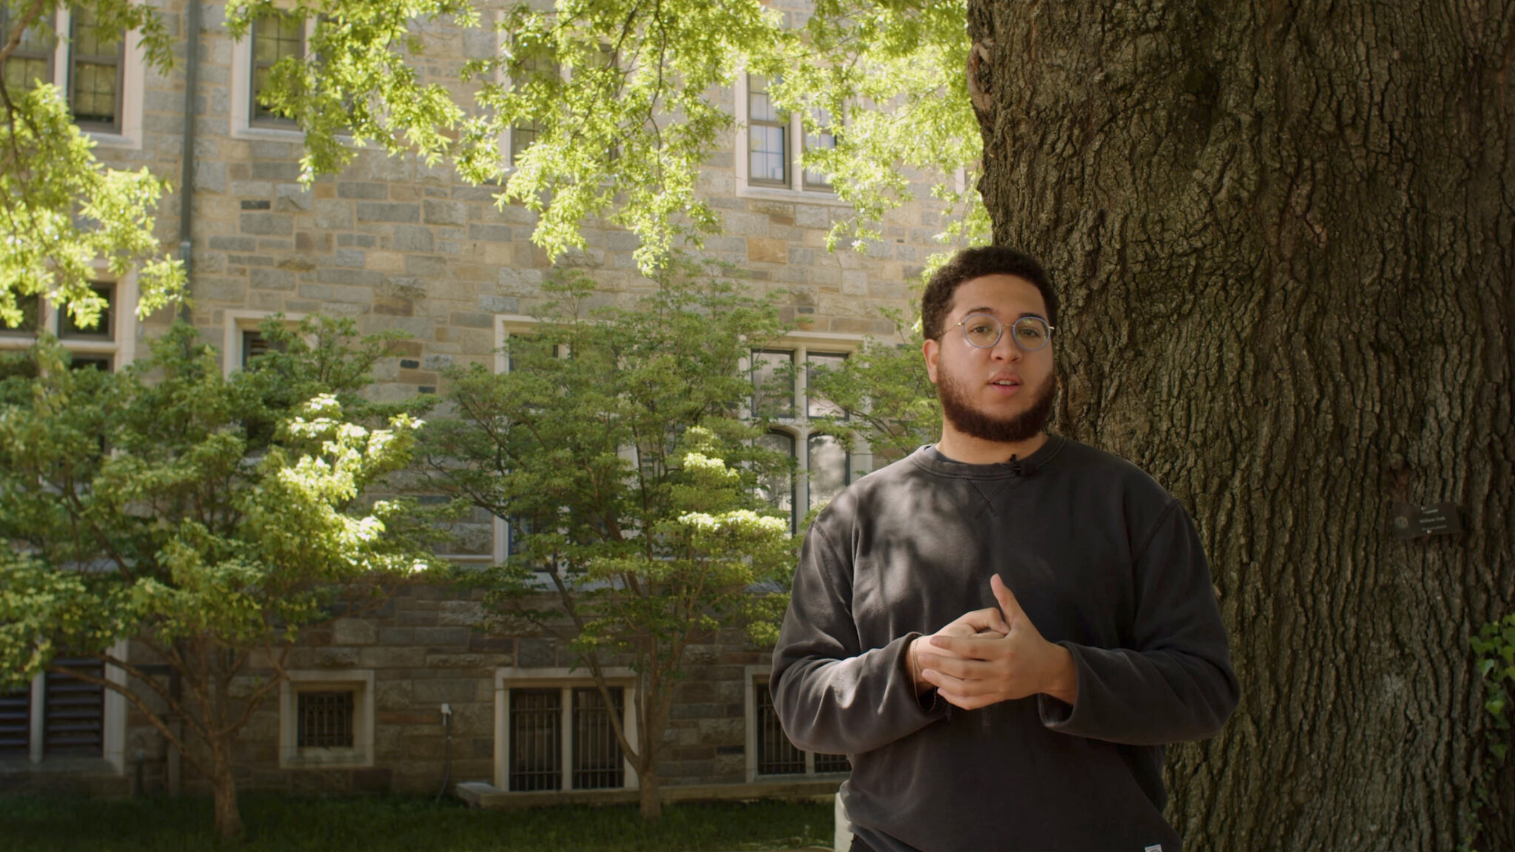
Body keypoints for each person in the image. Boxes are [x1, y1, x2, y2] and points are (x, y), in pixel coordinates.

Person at [770, 246, 1239, 852]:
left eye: (1029, 330)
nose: (1007, 348)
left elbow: (1204, 691)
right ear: (933, 359)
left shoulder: (1133, 505)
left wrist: (1059, 672)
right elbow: (799, 701)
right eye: (981, 327)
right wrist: (918, 666)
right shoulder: (855, 520)